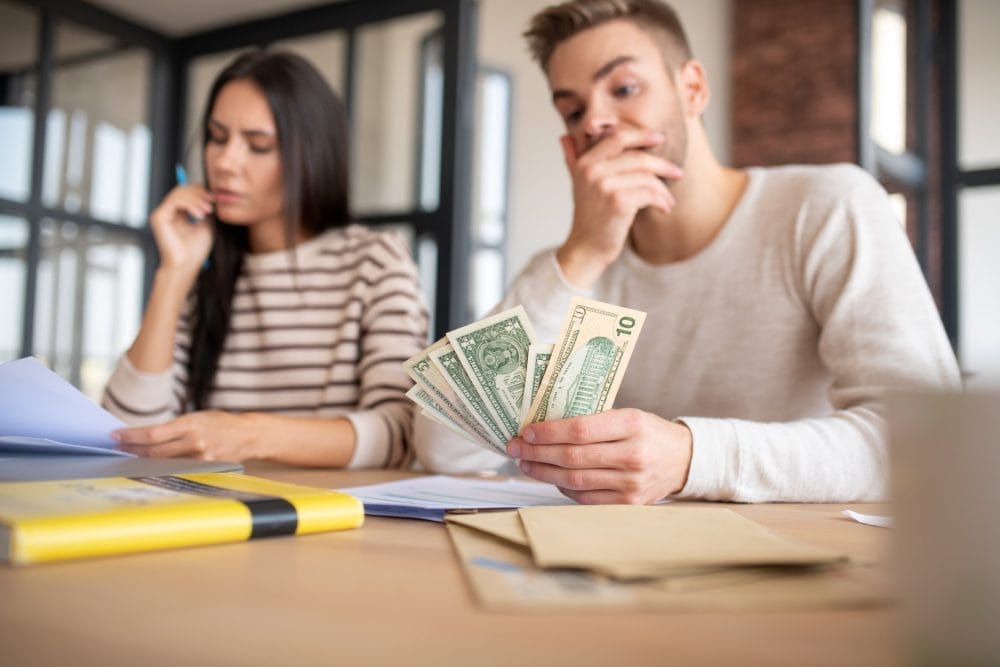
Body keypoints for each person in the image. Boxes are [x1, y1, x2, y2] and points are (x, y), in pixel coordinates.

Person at [413, 0, 961, 502]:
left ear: (693, 89)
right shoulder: (568, 270)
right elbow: (445, 449)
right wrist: (580, 253)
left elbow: (929, 443)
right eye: (573, 111)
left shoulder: (826, 207)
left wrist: (690, 456)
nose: (597, 122)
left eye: (624, 89)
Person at [103, 51, 428, 468]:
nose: (224, 162)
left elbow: (400, 432)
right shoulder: (203, 272)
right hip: (215, 513)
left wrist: (249, 435)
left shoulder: (374, 260)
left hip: (333, 522)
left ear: (311, 156)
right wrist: (174, 274)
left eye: (258, 145)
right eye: (217, 138)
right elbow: (127, 432)